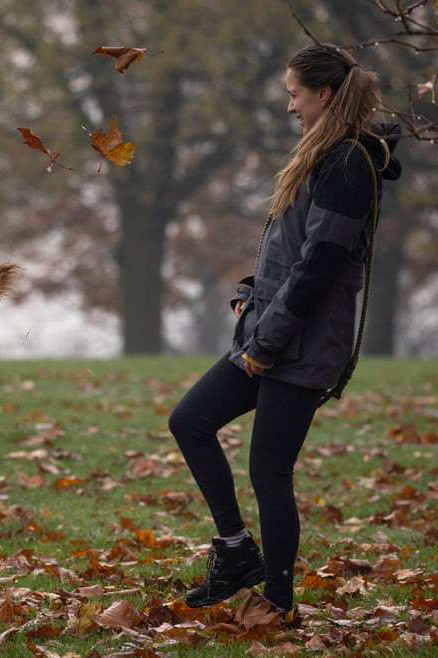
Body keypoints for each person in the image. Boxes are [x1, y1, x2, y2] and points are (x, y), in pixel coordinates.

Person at [168, 44, 402, 615]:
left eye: (295, 94)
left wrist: (266, 343)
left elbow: (320, 265)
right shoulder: (324, 155)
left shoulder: (348, 163)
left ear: (323, 94)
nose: (290, 106)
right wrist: (251, 295)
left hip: (299, 342)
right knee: (190, 421)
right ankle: (235, 551)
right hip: (271, 331)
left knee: (269, 471)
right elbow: (291, 250)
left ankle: (277, 602)